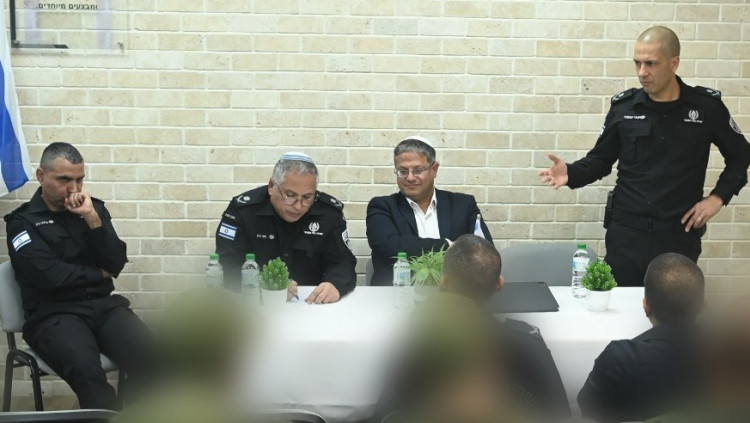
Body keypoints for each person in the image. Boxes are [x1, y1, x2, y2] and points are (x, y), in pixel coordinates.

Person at [538, 26, 750, 287]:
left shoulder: (705, 108)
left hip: (677, 236)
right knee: (619, 306)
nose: (642, 72)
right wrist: (570, 173)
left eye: (651, 64)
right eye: (637, 63)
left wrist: (717, 198)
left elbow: (741, 155)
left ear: (674, 63)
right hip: (626, 236)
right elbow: (600, 161)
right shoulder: (624, 108)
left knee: (674, 307)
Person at [4, 142, 154, 410]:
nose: (74, 189)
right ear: (41, 176)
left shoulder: (92, 209)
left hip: (103, 307)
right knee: (90, 378)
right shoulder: (22, 222)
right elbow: (51, 278)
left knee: (155, 360)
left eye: (79, 179)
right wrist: (99, 273)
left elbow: (116, 262)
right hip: (53, 315)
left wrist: (92, 219)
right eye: (64, 179)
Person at [373, 235, 569, 422]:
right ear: (499, 284)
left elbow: (386, 414)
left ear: (443, 283)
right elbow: (560, 415)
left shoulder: (419, 341)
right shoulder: (527, 342)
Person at [578, 252, 705, 422]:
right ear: (703, 305)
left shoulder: (618, 358)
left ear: (646, 306)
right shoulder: (726, 358)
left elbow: (587, 407)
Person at [215, 152, 356, 304]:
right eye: (290, 195)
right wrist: (267, 284)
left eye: (307, 197)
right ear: (271, 186)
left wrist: (336, 284)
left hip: (310, 303)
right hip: (255, 301)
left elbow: (343, 263)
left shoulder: (328, 213)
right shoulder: (243, 212)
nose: (298, 206)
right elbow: (227, 264)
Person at [366, 136, 493, 286]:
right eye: (402, 171)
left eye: (418, 170)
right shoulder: (382, 206)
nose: (410, 177)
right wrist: (450, 246)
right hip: (396, 293)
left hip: (454, 293)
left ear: (434, 169)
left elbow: (484, 251)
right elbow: (390, 246)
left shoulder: (463, 205)